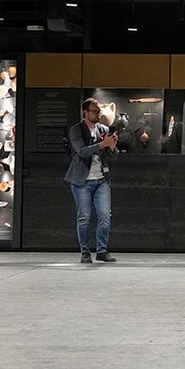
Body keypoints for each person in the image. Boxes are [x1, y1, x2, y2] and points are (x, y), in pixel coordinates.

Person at [64, 97, 119, 263]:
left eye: (99, 111)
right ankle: (85, 252)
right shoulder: (76, 130)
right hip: (82, 180)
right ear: (85, 112)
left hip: (101, 179)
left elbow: (113, 155)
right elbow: (82, 151)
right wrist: (103, 144)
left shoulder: (103, 128)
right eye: (95, 112)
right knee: (84, 218)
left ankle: (102, 251)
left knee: (105, 216)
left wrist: (112, 145)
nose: (98, 115)